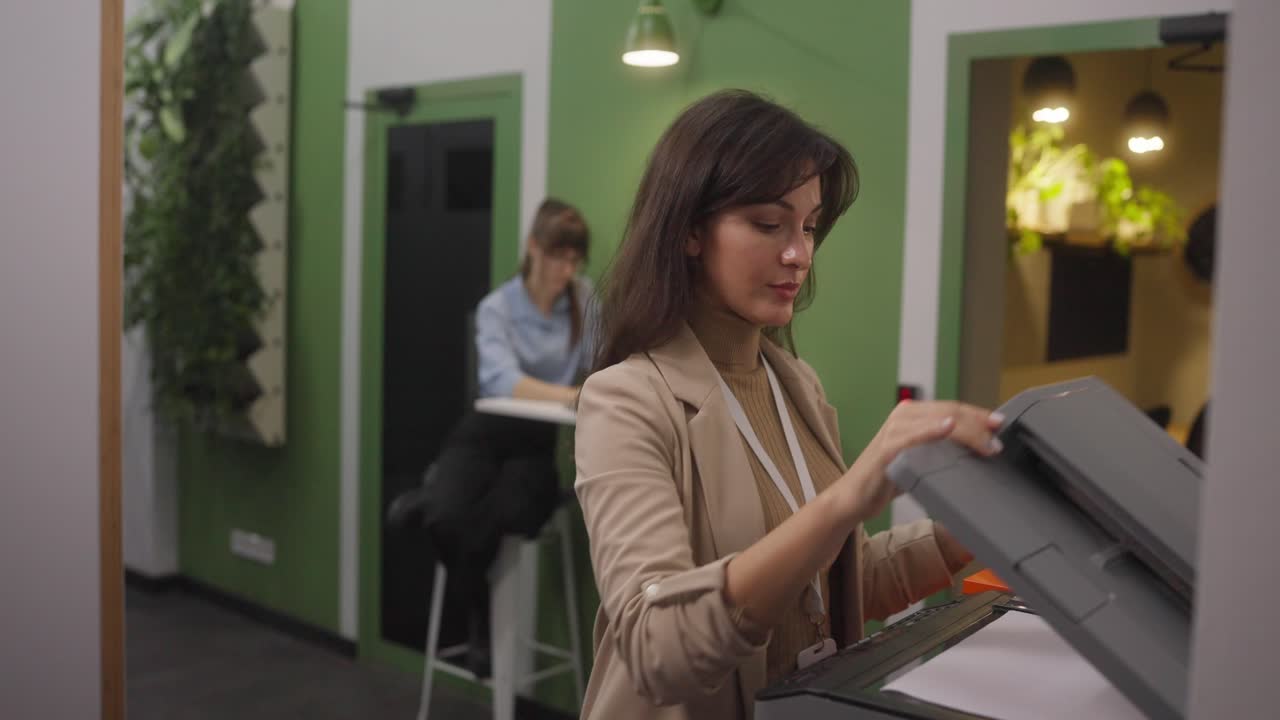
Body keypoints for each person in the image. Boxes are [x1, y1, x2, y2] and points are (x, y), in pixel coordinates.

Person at [573, 90, 1001, 719]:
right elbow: (655, 644)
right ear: (690, 230)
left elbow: (835, 583)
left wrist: (973, 523)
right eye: (769, 224)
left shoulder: (796, 385)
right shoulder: (626, 400)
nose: (799, 254)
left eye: (808, 225)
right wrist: (847, 497)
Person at [419, 199, 593, 678]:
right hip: (485, 432)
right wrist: (571, 393)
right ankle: (438, 511)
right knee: (447, 516)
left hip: (536, 444)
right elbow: (500, 380)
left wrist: (584, 393)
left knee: (515, 511)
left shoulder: (585, 302)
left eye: (575, 259)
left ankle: (431, 500)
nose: (567, 268)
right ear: (534, 248)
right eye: (559, 256)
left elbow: (606, 367)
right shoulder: (498, 307)